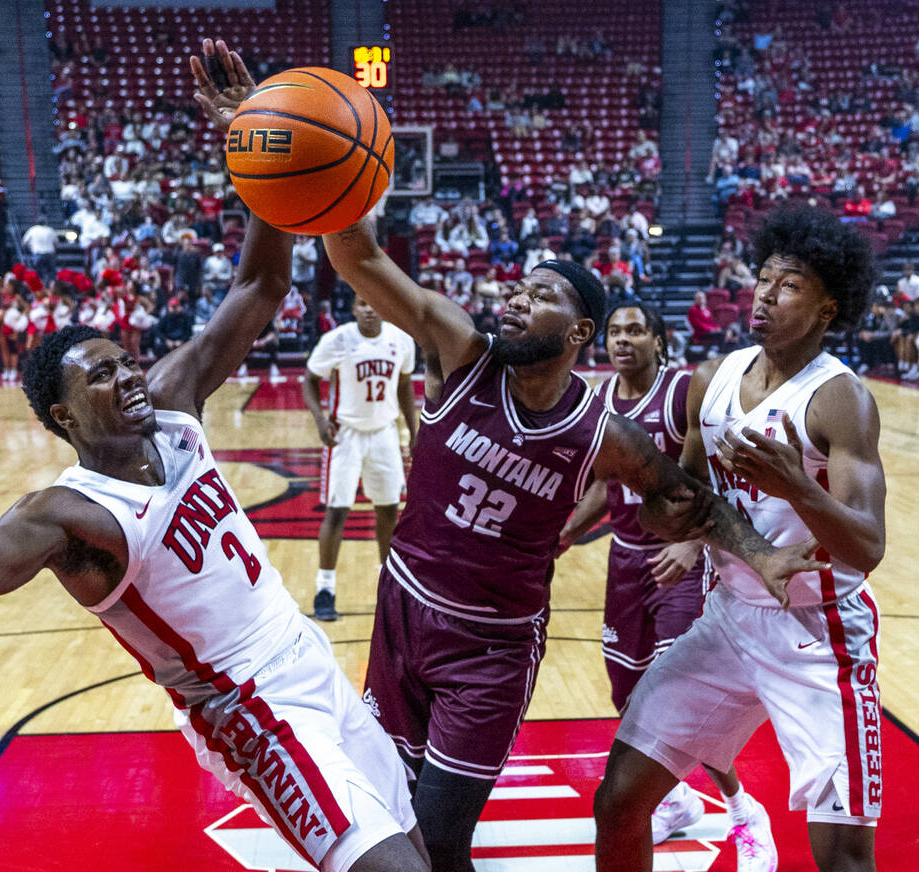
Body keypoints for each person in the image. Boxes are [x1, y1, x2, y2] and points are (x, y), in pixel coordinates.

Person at [0, 40, 429, 872]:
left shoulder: (172, 405)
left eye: (124, 361)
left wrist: (255, 144)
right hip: (249, 710)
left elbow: (260, 288)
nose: (127, 376)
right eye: (100, 376)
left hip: (308, 658)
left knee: (419, 852)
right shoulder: (70, 513)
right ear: (61, 415)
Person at [321, 217, 824, 871]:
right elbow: (358, 258)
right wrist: (322, 192)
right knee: (393, 819)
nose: (517, 299)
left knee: (441, 840)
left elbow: (683, 497)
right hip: (402, 617)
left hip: (490, 649)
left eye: (540, 294)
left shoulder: (602, 434)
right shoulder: (461, 351)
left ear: (579, 331)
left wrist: (762, 555)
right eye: (518, 289)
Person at [594, 207, 885, 872]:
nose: (765, 295)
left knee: (844, 856)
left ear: (827, 307)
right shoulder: (714, 378)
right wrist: (665, 518)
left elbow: (868, 546)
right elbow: (685, 500)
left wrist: (799, 488)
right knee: (619, 801)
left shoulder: (839, 399)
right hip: (728, 619)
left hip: (819, 633)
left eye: (789, 285)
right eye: (763, 279)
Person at [558, 303, 773, 860]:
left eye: (635, 330)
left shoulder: (682, 393)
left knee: (684, 700)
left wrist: (693, 541)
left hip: (681, 562)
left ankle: (743, 811)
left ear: (658, 340)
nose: (622, 340)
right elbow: (605, 484)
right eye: (614, 332)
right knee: (628, 693)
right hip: (626, 561)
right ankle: (676, 802)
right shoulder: (601, 400)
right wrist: (566, 532)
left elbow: (715, 476)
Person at [302, 294, 418, 621]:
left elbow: (404, 384)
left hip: (384, 433)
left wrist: (413, 430)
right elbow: (310, 380)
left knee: (388, 510)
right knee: (337, 511)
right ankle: (325, 588)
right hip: (346, 434)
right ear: (353, 309)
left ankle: (388, 586)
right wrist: (320, 420)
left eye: (374, 303)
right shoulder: (337, 340)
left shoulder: (401, 340)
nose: (369, 309)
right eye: (362, 304)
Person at [21, 211, 59, 283]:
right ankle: (51, 287)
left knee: (38, 275)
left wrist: (30, 247)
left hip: (38, 254)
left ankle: (41, 287)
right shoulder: (50, 230)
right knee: (51, 274)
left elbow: (24, 242)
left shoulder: (32, 229)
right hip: (50, 253)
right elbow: (56, 243)